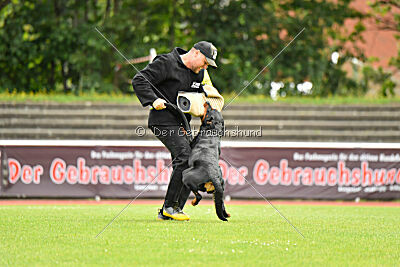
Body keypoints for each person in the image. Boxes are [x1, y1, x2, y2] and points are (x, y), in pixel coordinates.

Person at [131, 41, 218, 221]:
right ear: (195, 53)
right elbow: (139, 80)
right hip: (162, 120)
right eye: (205, 61)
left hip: (182, 123)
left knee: (192, 161)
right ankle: (168, 207)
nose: (205, 66)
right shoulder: (166, 62)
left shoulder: (200, 73)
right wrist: (153, 100)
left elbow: (206, 94)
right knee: (185, 157)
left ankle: (175, 209)